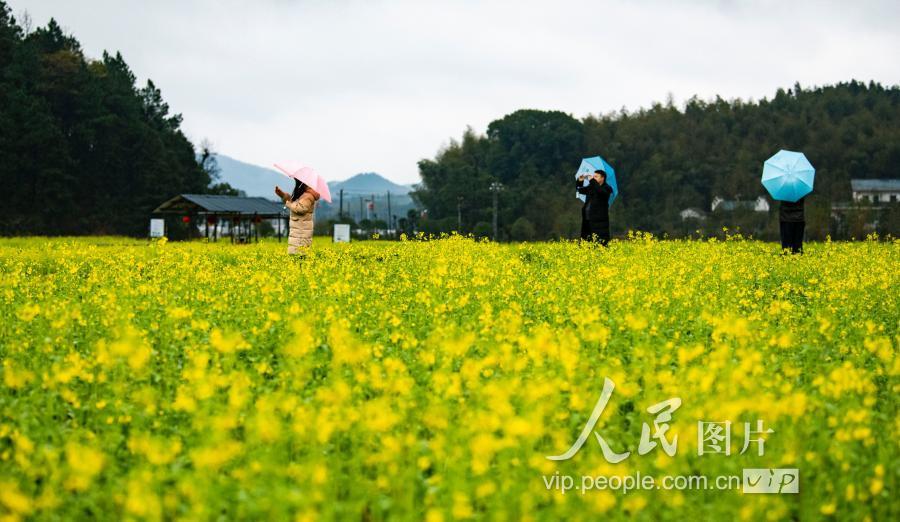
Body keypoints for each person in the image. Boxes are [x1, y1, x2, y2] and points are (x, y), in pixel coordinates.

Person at [275, 179, 320, 255]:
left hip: (301, 233)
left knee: (299, 256)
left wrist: (288, 204)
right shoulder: (303, 194)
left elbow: (300, 208)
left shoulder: (308, 196)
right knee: (295, 256)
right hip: (298, 231)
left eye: (297, 182)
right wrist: (283, 195)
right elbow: (294, 203)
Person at [577, 169, 613, 245]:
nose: (594, 178)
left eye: (596, 176)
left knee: (599, 242)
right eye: (593, 176)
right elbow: (579, 190)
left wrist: (592, 181)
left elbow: (601, 192)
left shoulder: (607, 188)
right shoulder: (592, 187)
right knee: (585, 242)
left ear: (602, 178)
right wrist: (580, 181)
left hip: (599, 222)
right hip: (587, 219)